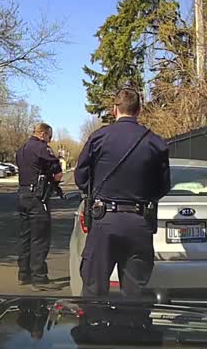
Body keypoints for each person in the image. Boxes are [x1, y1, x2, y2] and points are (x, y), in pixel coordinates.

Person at [74, 88, 171, 297]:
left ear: (114, 109)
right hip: (138, 222)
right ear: (139, 110)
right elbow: (163, 186)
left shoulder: (99, 137)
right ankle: (134, 327)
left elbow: (80, 177)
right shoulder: (154, 142)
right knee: (135, 292)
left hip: (104, 220)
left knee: (94, 290)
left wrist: (96, 192)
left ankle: (94, 326)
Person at [15, 123, 64, 291]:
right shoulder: (42, 148)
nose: (50, 140)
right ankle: (39, 277)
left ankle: (23, 273)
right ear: (43, 134)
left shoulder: (22, 149)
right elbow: (57, 174)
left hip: (22, 195)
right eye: (50, 137)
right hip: (37, 197)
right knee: (40, 238)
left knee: (25, 236)